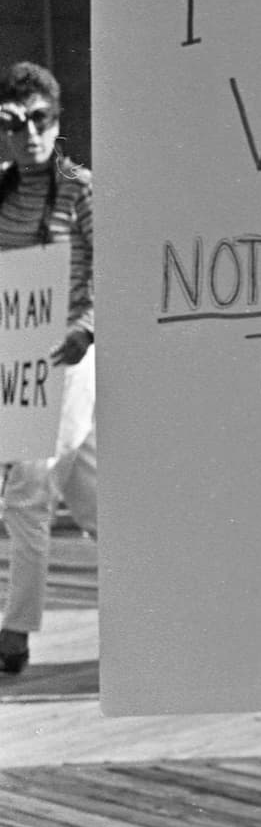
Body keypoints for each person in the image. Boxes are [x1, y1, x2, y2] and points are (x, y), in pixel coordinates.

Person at [0, 61, 96, 677]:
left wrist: (88, 327)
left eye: (41, 119)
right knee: (92, 497)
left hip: (69, 351)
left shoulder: (82, 187)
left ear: (57, 123)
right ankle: (167, 607)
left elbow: (118, 260)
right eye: (14, 121)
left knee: (28, 490)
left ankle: (14, 633)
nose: (29, 133)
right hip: (16, 353)